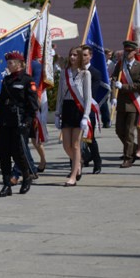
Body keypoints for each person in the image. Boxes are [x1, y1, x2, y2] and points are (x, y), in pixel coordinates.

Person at [0, 51, 38, 196]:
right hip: (6, 121)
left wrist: (27, 123)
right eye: (8, 63)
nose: (8, 65)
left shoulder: (27, 81)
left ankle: (26, 176)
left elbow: (33, 106)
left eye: (10, 63)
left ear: (19, 64)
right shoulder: (6, 80)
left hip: (20, 121)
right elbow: (0, 103)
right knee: (3, 153)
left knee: (19, 153)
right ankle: (6, 185)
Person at [55, 46, 92, 186]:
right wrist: (58, 113)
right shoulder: (65, 73)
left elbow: (88, 97)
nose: (72, 57)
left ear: (81, 57)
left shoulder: (85, 74)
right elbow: (59, 95)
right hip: (67, 108)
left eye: (75, 55)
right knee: (66, 145)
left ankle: (73, 175)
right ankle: (79, 163)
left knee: (76, 145)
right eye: (71, 54)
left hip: (79, 109)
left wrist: (86, 116)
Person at [111, 40, 140, 168]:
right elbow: (114, 78)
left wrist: (123, 86)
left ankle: (128, 158)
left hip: (133, 104)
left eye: (130, 51)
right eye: (126, 50)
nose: (128, 53)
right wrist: (113, 94)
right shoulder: (120, 65)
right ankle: (133, 147)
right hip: (121, 103)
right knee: (119, 131)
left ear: (135, 51)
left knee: (129, 132)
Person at [81, 45, 103, 174]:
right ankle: (75, 165)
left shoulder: (95, 73)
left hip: (88, 109)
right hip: (75, 109)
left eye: (85, 55)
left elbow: (92, 93)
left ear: (90, 56)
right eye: (81, 55)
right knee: (75, 140)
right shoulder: (75, 71)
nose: (83, 58)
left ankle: (97, 162)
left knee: (89, 139)